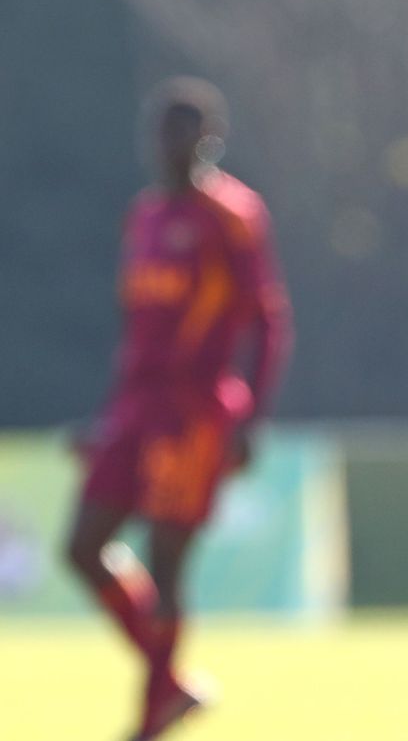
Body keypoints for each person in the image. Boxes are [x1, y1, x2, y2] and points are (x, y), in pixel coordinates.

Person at [65, 77, 293, 741]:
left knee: (166, 561)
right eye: (159, 132)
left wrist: (252, 418)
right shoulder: (143, 217)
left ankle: (149, 719)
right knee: (82, 547)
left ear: (207, 141)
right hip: (135, 405)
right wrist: (107, 415)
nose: (167, 146)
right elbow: (138, 329)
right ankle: (168, 684)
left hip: (194, 410)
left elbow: (269, 320)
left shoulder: (231, 215)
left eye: (182, 133)